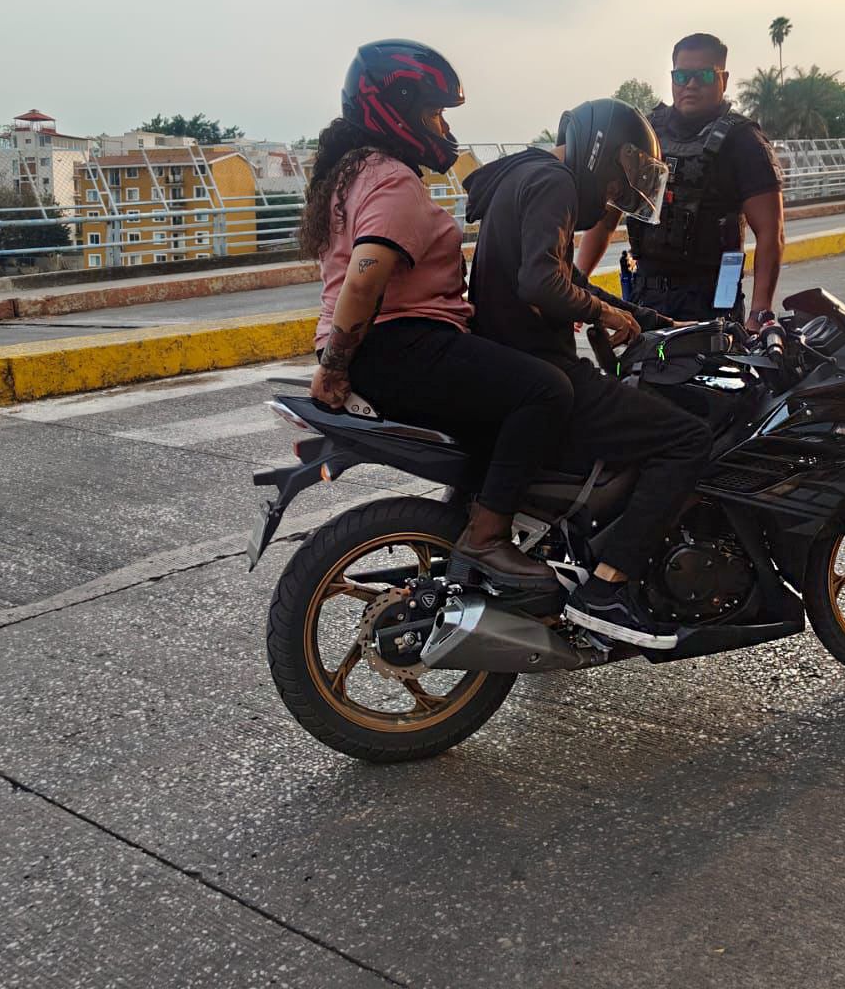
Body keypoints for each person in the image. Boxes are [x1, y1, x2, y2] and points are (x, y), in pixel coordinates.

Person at [304, 39, 575, 592]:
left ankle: (463, 523)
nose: (444, 129)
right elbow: (364, 276)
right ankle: (487, 539)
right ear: (397, 109)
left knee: (496, 416)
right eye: (434, 114)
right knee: (546, 390)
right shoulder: (392, 179)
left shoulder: (354, 171)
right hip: (398, 345)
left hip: (385, 345)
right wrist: (333, 368)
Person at [464, 98, 713, 650]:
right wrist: (605, 313)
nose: (611, 198)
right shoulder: (552, 182)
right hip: (542, 370)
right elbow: (540, 283)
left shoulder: (524, 175)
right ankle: (608, 587)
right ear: (602, 152)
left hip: (514, 364)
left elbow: (566, 280)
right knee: (687, 439)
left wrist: (649, 319)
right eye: (616, 182)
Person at [577, 32, 785, 330]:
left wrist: (759, 312)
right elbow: (605, 220)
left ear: (723, 79)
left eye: (704, 75)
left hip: (711, 301)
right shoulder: (646, 133)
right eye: (681, 76)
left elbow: (770, 232)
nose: (691, 84)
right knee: (645, 362)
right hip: (645, 298)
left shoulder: (745, 141)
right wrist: (578, 284)